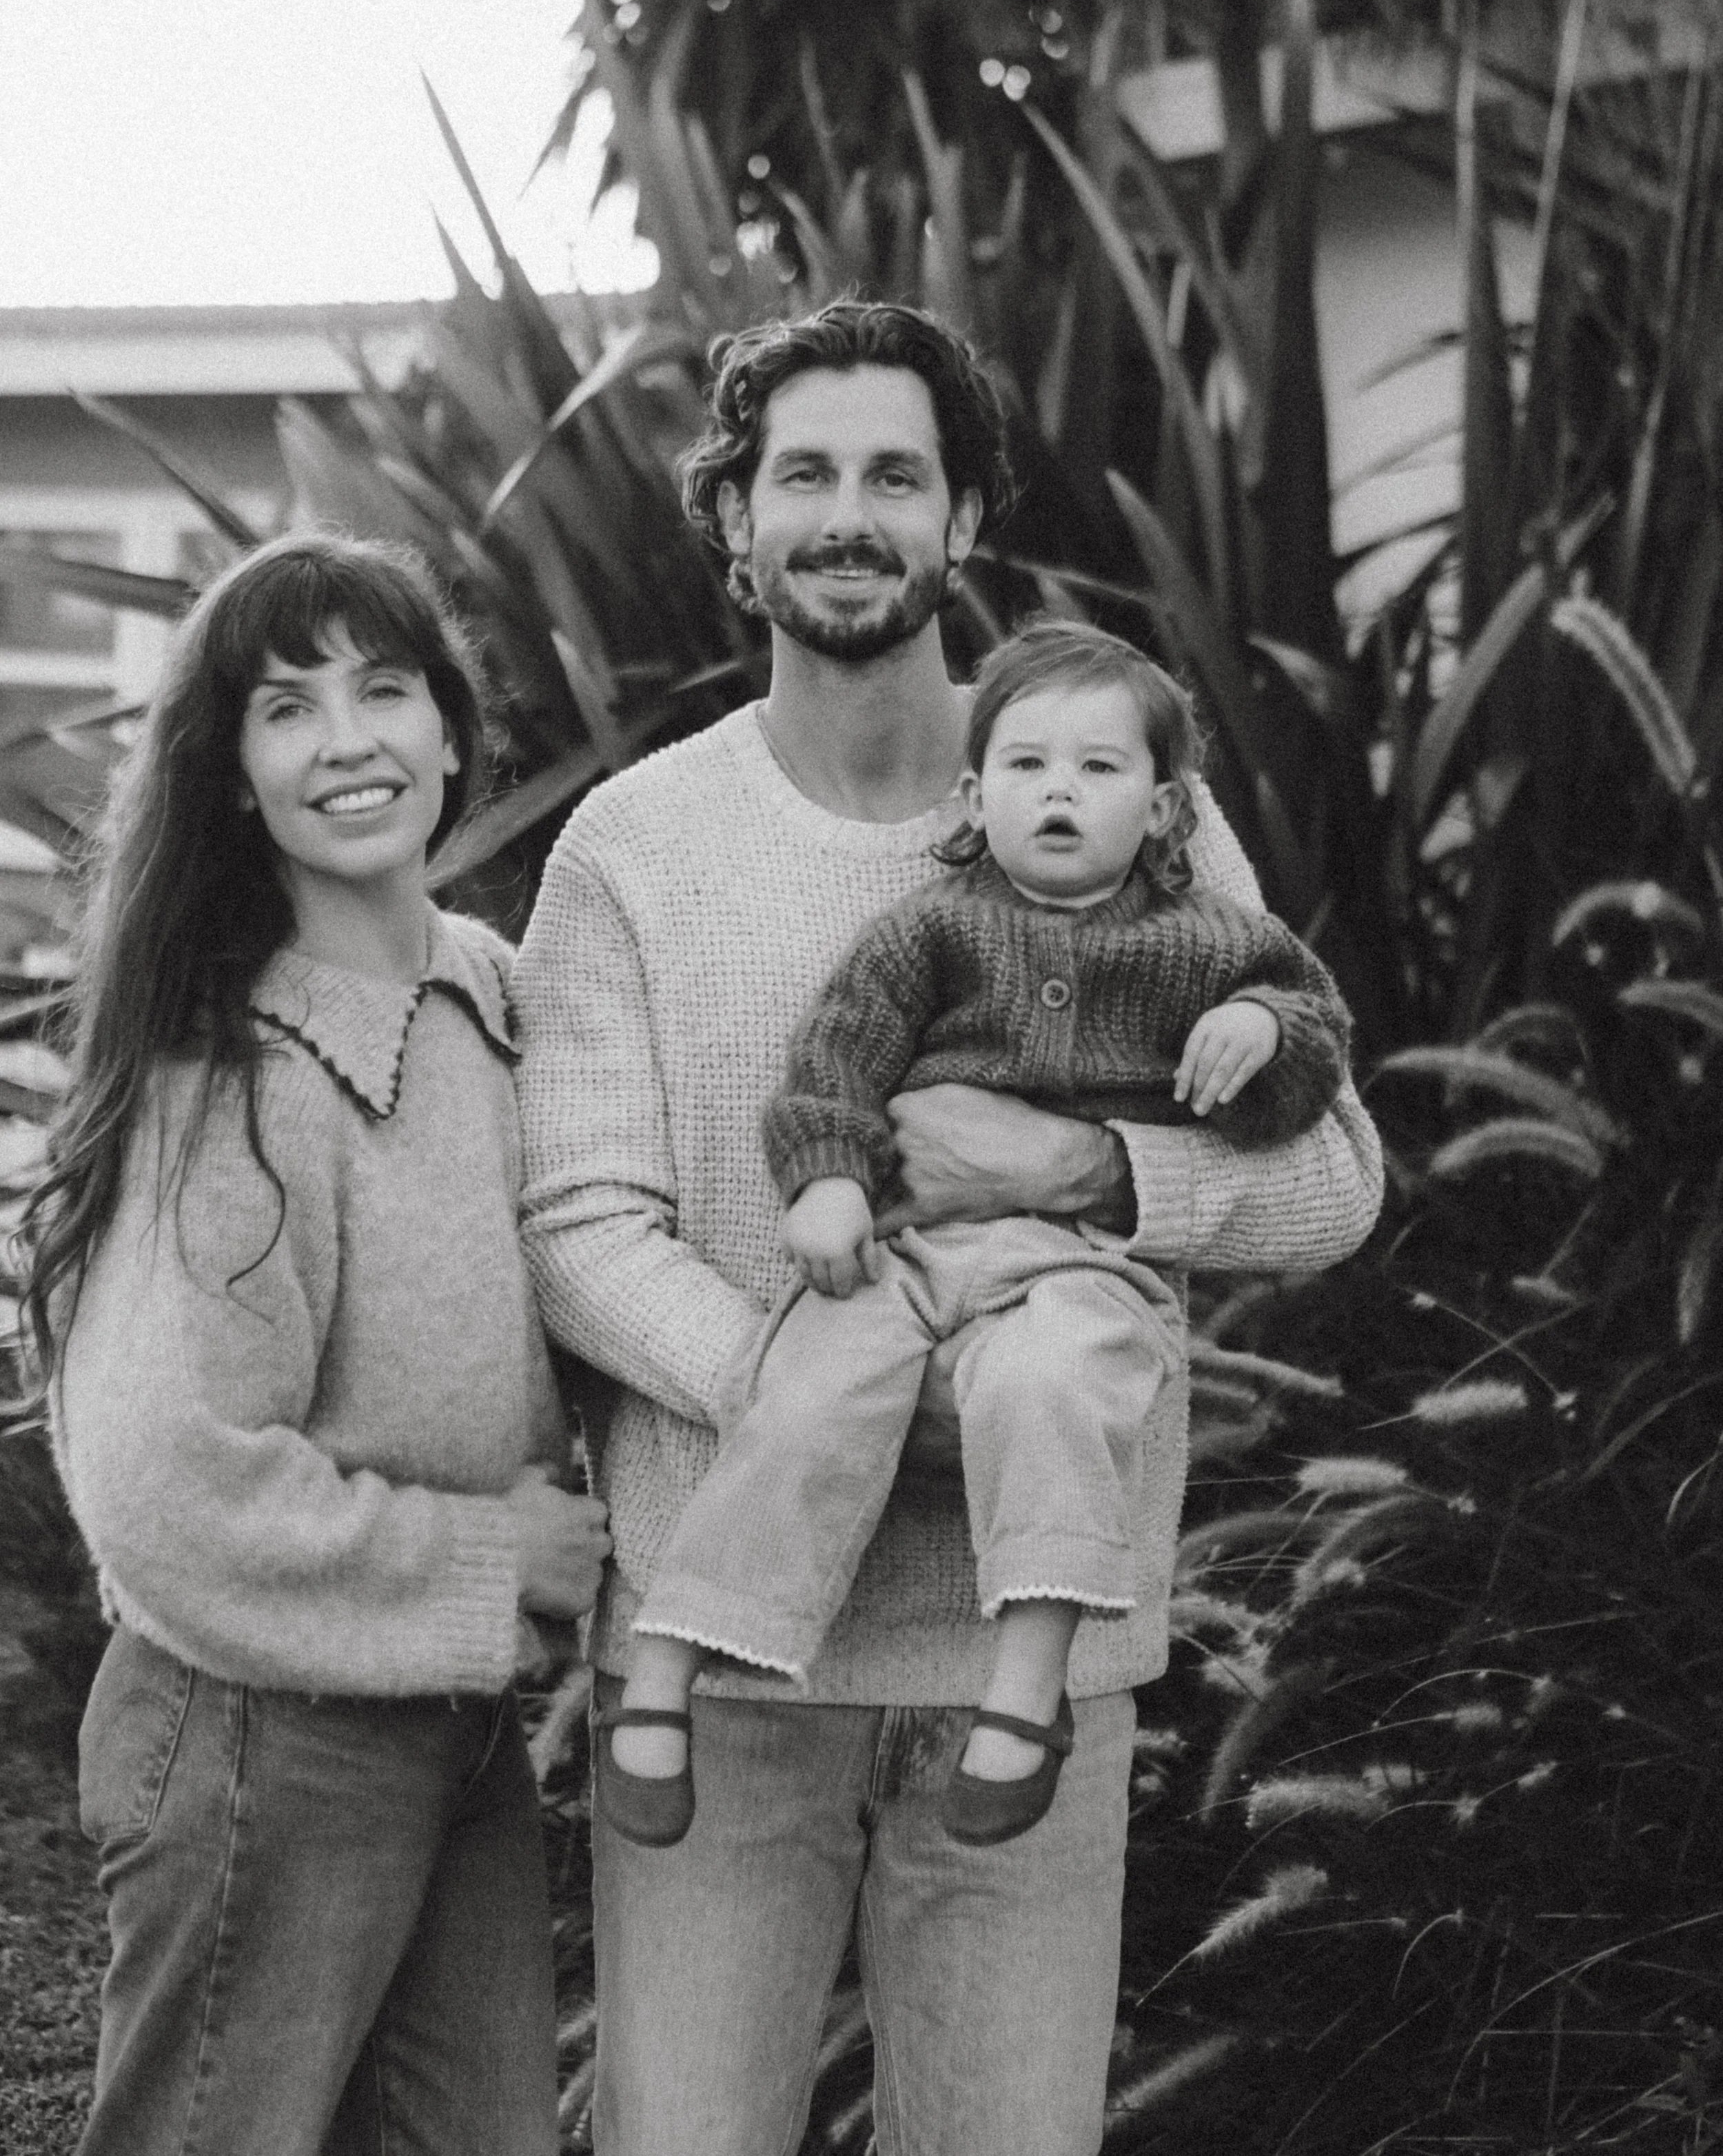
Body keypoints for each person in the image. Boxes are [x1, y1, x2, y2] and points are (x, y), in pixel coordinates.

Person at [512, 298, 1384, 2156]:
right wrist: (818, 1375)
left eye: (894, 473)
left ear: (963, 516)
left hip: (1028, 1655)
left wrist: (1088, 1178)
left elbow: (1332, 1177)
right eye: (801, 473)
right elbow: (581, 1216)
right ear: (732, 520)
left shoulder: (1133, 812)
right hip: (726, 1664)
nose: (848, 512)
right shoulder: (630, 844)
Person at [28, 533, 610, 2156]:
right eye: (288, 709)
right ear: (232, 780)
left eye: (384, 688)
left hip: (458, 1724)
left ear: (449, 733)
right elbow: (167, 1485)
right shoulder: (229, 1077)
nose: (348, 738)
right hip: (257, 1743)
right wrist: (497, 1564)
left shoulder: (498, 1001)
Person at [602, 620, 1352, 1849]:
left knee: (1058, 1386)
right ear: (973, 792)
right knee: (810, 1385)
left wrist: (1265, 1030)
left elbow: (1315, 1035)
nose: (1060, 790)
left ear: (1167, 813)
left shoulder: (1206, 938)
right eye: (1027, 764)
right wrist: (828, 1181)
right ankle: (672, 1659)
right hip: (904, 1252)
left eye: (1100, 769)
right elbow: (834, 1059)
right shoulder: (932, 929)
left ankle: (1026, 1687)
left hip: (1080, 1265)